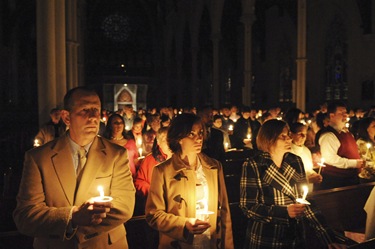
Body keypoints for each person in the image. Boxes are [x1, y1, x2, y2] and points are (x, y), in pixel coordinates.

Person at [13, 87, 135, 249]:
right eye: (84, 110)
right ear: (66, 117)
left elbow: (124, 207)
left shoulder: (116, 155)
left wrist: (82, 226)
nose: (93, 117)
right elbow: (26, 216)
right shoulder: (38, 158)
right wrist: (72, 217)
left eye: (96, 110)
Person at [240, 119, 345, 249]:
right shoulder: (254, 164)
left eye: (289, 135)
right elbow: (248, 207)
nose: (289, 139)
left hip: (294, 237)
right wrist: (284, 212)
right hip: (267, 237)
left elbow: (306, 201)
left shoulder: (295, 161)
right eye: (283, 136)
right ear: (269, 139)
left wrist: (328, 238)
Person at [145, 113, 234, 249]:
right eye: (192, 134)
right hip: (179, 243)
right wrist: (184, 224)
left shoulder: (214, 167)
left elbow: (224, 212)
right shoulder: (163, 171)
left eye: (201, 133)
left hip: (209, 242)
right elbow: (154, 215)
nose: (199, 138)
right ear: (179, 138)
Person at [318, 101, 364, 189]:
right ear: (332, 116)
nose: (345, 115)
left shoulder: (346, 133)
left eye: (345, 112)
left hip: (350, 179)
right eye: (341, 113)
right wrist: (354, 163)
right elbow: (330, 158)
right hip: (337, 181)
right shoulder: (328, 136)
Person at [103, 113, 139, 178]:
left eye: (121, 122)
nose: (119, 125)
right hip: (112, 177)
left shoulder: (131, 142)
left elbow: (135, 160)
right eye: (115, 123)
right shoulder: (105, 143)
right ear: (110, 126)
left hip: (130, 177)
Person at [290, 122, 323, 191]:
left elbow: (308, 169)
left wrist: (315, 175)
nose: (304, 137)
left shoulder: (306, 150)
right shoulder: (287, 151)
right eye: (300, 134)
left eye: (305, 134)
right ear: (291, 134)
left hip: (308, 190)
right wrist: (307, 180)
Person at [356, 117, 375, 181]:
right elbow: (367, 162)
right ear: (366, 129)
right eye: (374, 126)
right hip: (368, 178)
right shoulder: (362, 143)